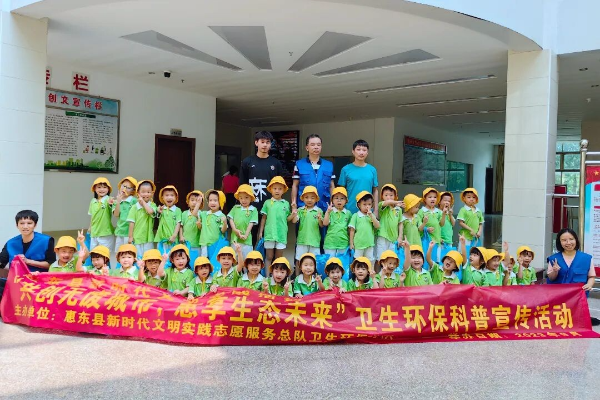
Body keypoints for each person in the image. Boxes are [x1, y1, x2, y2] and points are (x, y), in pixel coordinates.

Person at [239, 131, 284, 245]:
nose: (265, 145)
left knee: (268, 237)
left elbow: (280, 186)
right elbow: (243, 185)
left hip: (270, 206)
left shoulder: (276, 163)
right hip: (251, 206)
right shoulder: (247, 162)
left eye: (267, 142)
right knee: (249, 236)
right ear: (256, 143)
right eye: (262, 142)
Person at [291, 134, 335, 213]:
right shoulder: (299, 164)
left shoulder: (329, 165)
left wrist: (333, 204)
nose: (316, 147)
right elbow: (295, 185)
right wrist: (294, 204)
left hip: (325, 207)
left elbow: (331, 186)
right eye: (312, 145)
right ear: (307, 147)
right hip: (304, 207)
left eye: (318, 145)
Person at [257, 176, 295, 266]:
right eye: (275, 188)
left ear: (284, 190)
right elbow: (263, 218)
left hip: (281, 234)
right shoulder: (267, 203)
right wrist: (260, 231)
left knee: (278, 258)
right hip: (269, 233)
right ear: (271, 189)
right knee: (269, 257)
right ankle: (268, 274)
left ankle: (277, 273)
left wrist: (293, 214)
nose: (277, 191)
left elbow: (287, 219)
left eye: (280, 189)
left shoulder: (286, 203)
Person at [338, 139, 379, 214]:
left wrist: (376, 210)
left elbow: (375, 190)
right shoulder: (345, 169)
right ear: (353, 151)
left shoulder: (372, 170)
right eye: (358, 149)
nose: (361, 152)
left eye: (364, 150)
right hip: (349, 210)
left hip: (368, 210)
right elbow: (341, 191)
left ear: (367, 152)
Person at [292, 186, 323, 271]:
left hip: (314, 241)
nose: (309, 200)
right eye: (306, 197)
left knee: (315, 261)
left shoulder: (319, 210)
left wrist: (319, 219)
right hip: (302, 240)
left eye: (312, 198)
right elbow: (294, 221)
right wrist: (294, 210)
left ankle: (314, 277)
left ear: (316, 199)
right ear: (302, 199)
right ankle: (297, 277)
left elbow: (321, 225)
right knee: (299, 260)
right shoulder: (300, 210)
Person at [126, 180, 158, 256]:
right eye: (143, 192)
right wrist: (130, 237)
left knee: (148, 257)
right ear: (138, 193)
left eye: (148, 192)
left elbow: (150, 211)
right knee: (137, 257)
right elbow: (131, 223)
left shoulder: (153, 205)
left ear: (152, 193)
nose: (146, 194)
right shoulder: (134, 207)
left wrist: (143, 203)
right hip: (137, 238)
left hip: (148, 238)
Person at [348, 191, 380, 266]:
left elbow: (377, 226)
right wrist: (351, 243)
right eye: (364, 204)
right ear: (359, 205)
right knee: (358, 261)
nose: (367, 207)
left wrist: (372, 216)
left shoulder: (371, 216)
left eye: (369, 204)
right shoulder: (355, 216)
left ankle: (370, 272)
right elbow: (352, 230)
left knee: (369, 261)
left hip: (369, 243)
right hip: (359, 244)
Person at [227, 184, 259, 260]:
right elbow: (230, 219)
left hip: (247, 240)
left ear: (251, 197)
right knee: (234, 260)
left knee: (246, 260)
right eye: (241, 198)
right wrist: (234, 229)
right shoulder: (235, 207)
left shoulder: (253, 210)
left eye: (246, 197)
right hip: (235, 239)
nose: (243, 200)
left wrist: (245, 235)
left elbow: (251, 223)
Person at [376, 184, 404, 260]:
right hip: (383, 236)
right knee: (381, 258)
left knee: (391, 258)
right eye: (386, 195)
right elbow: (387, 202)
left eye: (391, 195)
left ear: (395, 196)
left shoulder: (399, 209)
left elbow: (400, 223)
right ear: (382, 197)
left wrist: (400, 237)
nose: (388, 197)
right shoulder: (382, 205)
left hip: (393, 238)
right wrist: (395, 202)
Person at [88, 177, 115, 255]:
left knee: (104, 255)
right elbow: (92, 216)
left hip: (105, 233)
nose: (102, 189)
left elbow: (114, 209)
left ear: (108, 189)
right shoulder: (93, 201)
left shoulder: (109, 199)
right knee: (93, 254)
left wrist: (112, 203)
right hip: (94, 233)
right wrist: (90, 227)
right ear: (94, 189)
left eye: (104, 187)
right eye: (99, 187)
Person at [323, 187, 352, 256]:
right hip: (330, 243)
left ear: (346, 201)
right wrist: (328, 212)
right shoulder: (330, 211)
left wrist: (351, 242)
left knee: (342, 262)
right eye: (336, 198)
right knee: (330, 262)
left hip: (343, 243)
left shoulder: (348, 213)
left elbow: (350, 229)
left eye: (342, 198)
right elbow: (325, 223)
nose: (339, 200)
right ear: (332, 200)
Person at [198, 189, 228, 257]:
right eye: (210, 200)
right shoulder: (204, 214)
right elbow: (194, 214)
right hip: (204, 243)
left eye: (215, 200)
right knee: (204, 261)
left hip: (215, 243)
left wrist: (225, 222)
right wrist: (198, 203)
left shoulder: (221, 215)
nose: (212, 202)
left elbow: (223, 231)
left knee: (214, 261)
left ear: (220, 202)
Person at [154, 185, 183, 254]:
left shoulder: (177, 210)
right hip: (161, 239)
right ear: (162, 198)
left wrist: (174, 236)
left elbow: (178, 223)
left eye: (172, 195)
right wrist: (158, 211)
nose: (169, 197)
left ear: (176, 197)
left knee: (173, 255)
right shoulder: (161, 209)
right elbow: (157, 216)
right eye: (166, 195)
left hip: (173, 239)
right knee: (161, 255)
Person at [112, 176, 138, 250]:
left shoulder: (134, 201)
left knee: (128, 251)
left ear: (133, 191)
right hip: (120, 230)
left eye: (128, 188)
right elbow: (116, 215)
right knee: (119, 251)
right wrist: (118, 202)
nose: (125, 189)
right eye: (123, 186)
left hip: (130, 232)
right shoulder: (116, 200)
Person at [180, 190, 203, 256]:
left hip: (196, 243)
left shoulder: (201, 214)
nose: (194, 202)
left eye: (197, 201)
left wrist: (199, 225)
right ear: (188, 202)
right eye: (192, 200)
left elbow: (201, 228)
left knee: (195, 259)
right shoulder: (184, 213)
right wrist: (181, 236)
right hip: (185, 242)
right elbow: (181, 226)